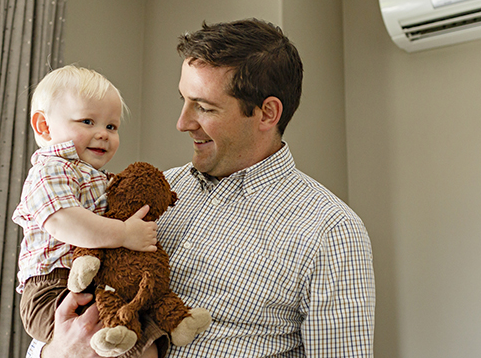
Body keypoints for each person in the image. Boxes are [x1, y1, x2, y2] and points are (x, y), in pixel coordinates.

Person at [32, 19, 375, 357]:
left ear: (267, 114)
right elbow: (61, 314)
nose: (182, 123)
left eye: (204, 107)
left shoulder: (332, 232)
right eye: (183, 100)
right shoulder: (150, 190)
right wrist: (57, 352)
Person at [13, 64, 160, 351]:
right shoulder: (50, 170)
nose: (103, 134)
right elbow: (66, 222)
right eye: (87, 122)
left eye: (111, 126)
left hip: (94, 280)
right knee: (101, 337)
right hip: (52, 287)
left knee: (144, 332)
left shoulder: (95, 177)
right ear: (44, 126)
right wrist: (124, 233)